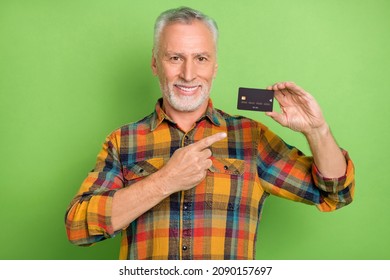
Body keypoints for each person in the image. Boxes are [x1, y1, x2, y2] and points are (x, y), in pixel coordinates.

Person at [65, 6, 355, 260]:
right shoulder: (123, 141)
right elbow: (78, 227)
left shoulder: (250, 138)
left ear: (215, 67)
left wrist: (317, 131)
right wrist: (164, 181)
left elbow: (334, 193)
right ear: (155, 64)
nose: (189, 74)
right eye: (175, 58)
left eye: (201, 58)